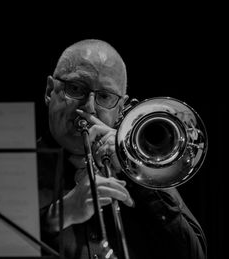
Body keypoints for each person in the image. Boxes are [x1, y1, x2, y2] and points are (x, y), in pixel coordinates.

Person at [38, 39, 207, 259]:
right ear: (50, 91)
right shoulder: (10, 170)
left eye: (105, 96)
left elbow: (194, 255)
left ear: (120, 110)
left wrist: (138, 174)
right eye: (76, 88)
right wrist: (58, 215)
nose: (89, 107)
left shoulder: (143, 171)